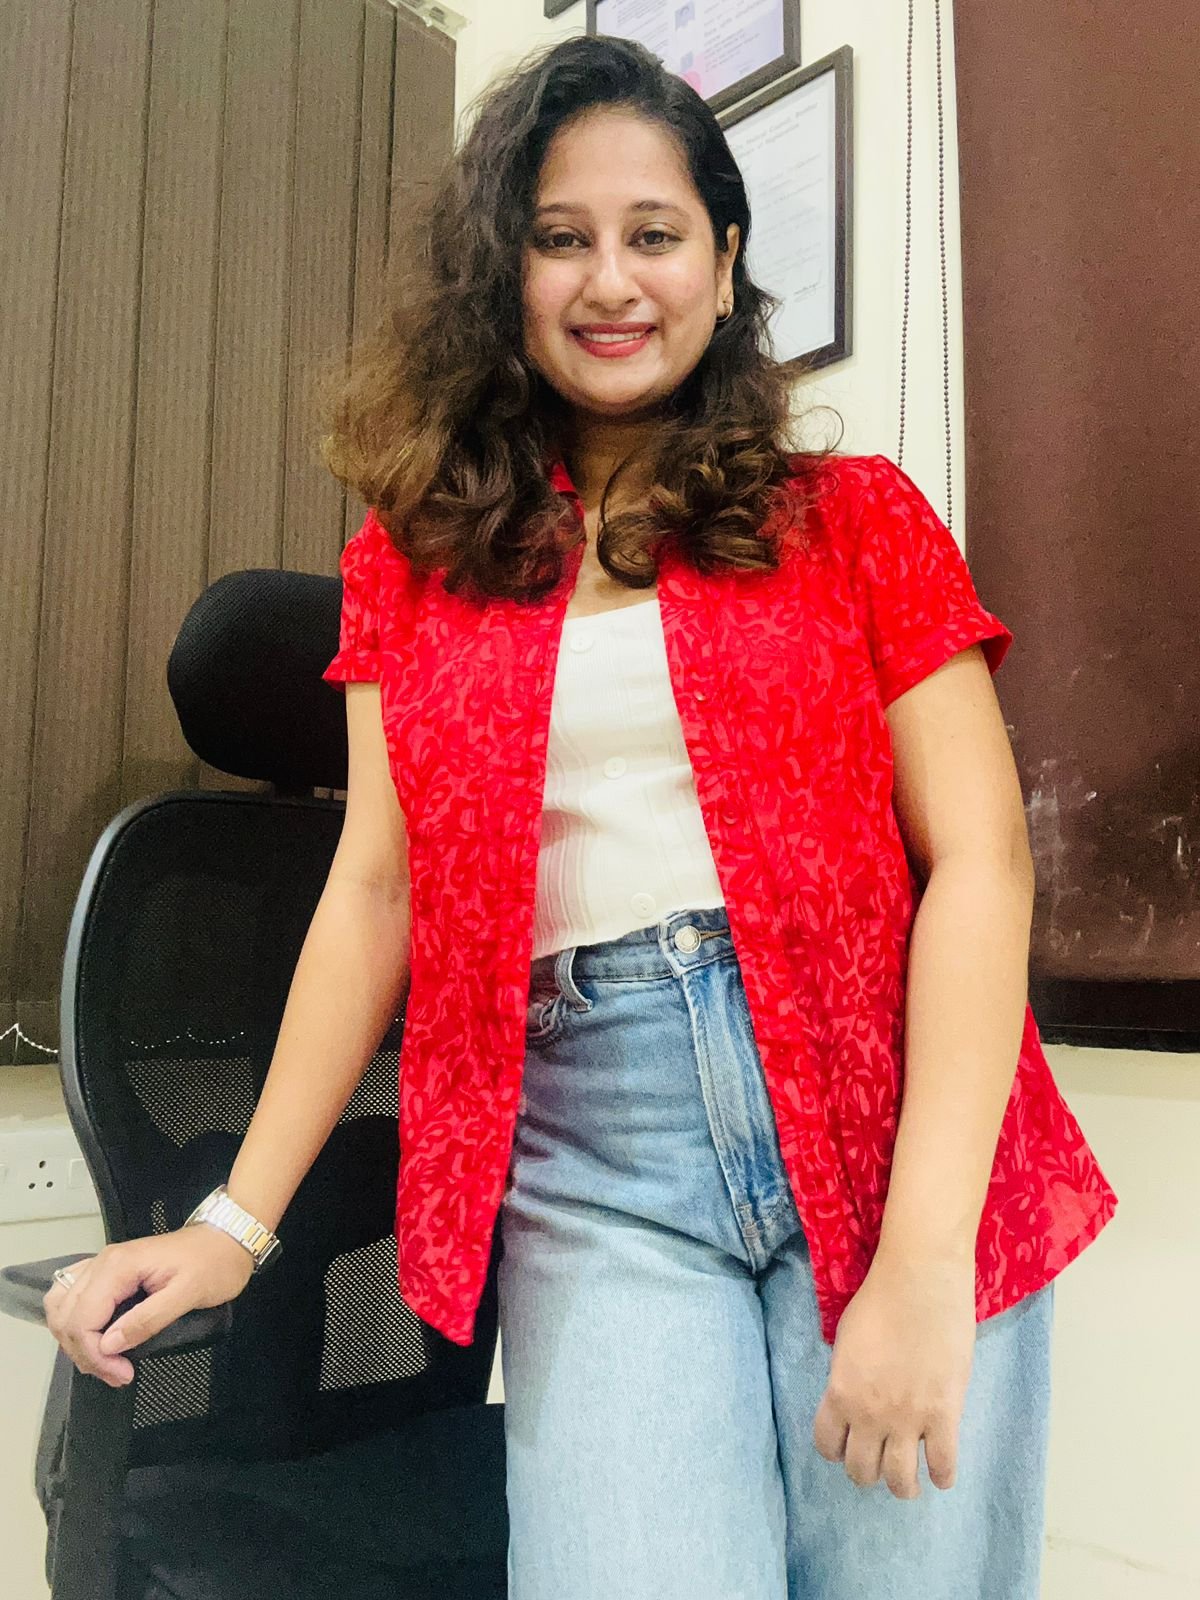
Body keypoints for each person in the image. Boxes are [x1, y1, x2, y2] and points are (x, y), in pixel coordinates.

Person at [45, 35, 1117, 1600]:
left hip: (893, 1124)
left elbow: (982, 864)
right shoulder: (411, 566)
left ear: (724, 261)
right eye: (561, 238)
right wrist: (234, 1223)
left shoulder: (858, 521)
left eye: (654, 233)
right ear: (506, 274)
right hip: (597, 1163)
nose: (612, 280)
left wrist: (924, 1254)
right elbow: (378, 892)